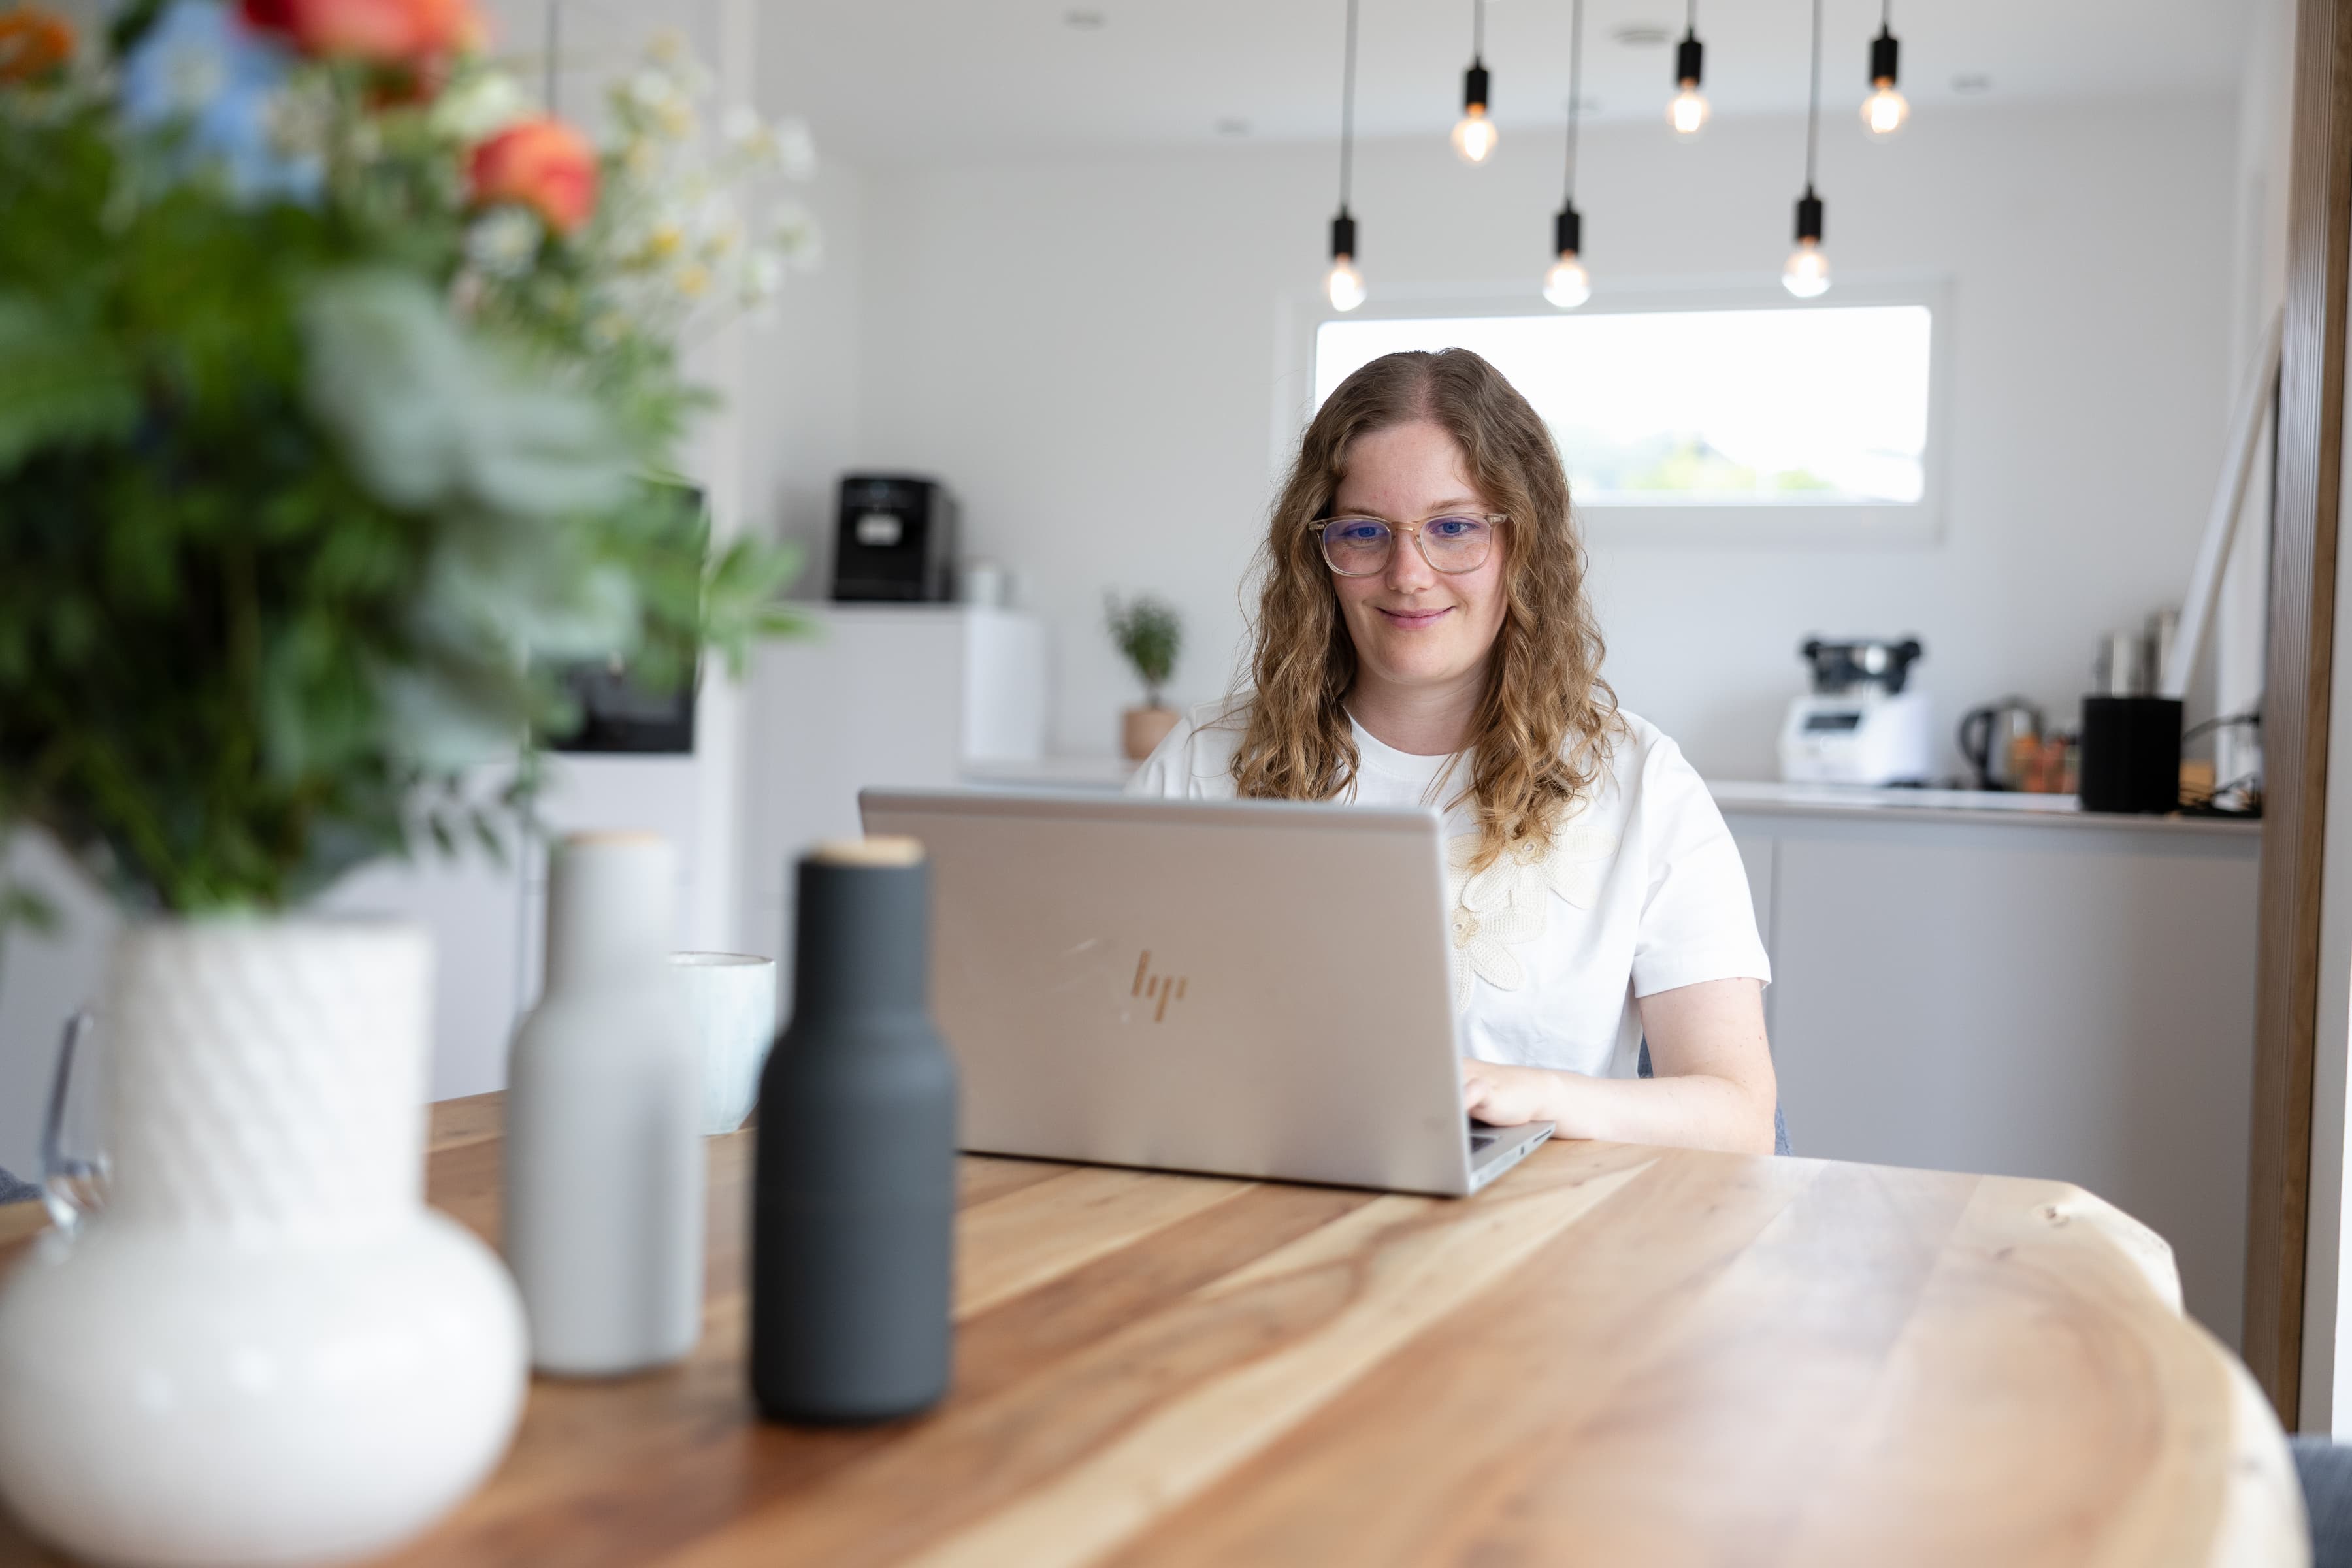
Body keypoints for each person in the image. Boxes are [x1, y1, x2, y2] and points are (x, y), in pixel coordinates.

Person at [1129, 348, 1777, 1154]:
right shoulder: (1201, 763)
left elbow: (1738, 1116)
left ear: (1522, 543)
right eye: (1364, 532)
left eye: (1454, 528)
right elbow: (1103, 1029)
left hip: (1533, 1224)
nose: (1408, 573)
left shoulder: (1642, 785)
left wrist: (1534, 1096)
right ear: (1318, 553)